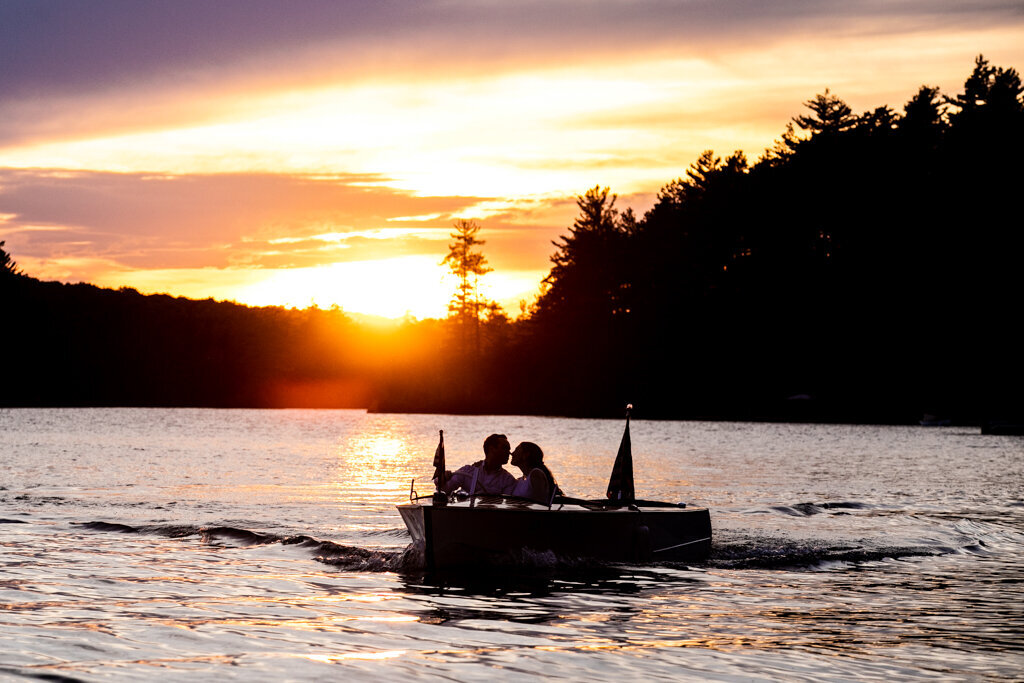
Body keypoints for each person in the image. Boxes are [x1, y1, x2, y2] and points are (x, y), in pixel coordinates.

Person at [437, 433, 516, 496]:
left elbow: (507, 505)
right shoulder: (468, 471)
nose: (509, 453)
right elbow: (445, 489)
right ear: (491, 448)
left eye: (509, 449)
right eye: (505, 448)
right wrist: (442, 478)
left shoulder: (508, 480)